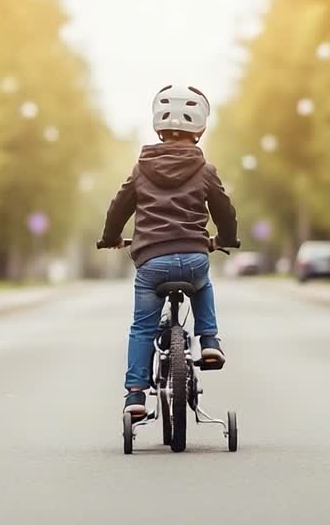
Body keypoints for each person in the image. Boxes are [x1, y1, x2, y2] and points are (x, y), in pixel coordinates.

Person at [98, 85, 238, 419]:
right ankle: (209, 342)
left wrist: (111, 237)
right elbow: (224, 210)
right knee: (202, 284)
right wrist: (227, 239)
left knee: (142, 328)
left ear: (158, 128)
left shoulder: (141, 169)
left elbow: (119, 207)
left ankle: (135, 395)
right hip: (193, 255)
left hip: (151, 262)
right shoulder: (204, 170)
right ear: (201, 129)